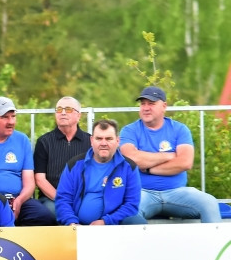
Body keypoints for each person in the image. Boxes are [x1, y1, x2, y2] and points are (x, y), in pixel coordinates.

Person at [118, 86, 222, 223]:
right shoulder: (129, 131)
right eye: (143, 104)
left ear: (164, 106)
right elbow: (132, 159)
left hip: (177, 192)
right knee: (130, 212)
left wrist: (148, 168)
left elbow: (185, 162)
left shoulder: (179, 129)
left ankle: (212, 244)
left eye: (151, 103)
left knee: (210, 203)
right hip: (142, 192)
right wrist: (168, 156)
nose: (146, 108)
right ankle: (148, 244)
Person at [0, 96, 53, 226]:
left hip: (18, 199)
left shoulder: (22, 140)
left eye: (13, 116)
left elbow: (29, 183)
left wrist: (19, 201)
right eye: (5, 117)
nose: (11, 121)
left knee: (44, 217)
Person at [55, 119, 146, 226]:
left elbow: (131, 205)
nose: (103, 143)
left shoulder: (129, 167)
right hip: (77, 227)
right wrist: (71, 222)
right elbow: (63, 199)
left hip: (114, 225)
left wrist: (106, 221)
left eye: (108, 139)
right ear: (91, 140)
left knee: (137, 222)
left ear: (117, 141)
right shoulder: (74, 165)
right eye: (99, 138)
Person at [33, 96, 92, 218]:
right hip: (52, 198)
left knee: (92, 212)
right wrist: (62, 200)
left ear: (78, 115)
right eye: (59, 109)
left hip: (84, 198)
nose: (63, 113)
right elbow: (40, 179)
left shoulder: (90, 142)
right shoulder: (44, 142)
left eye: (68, 109)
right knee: (53, 213)